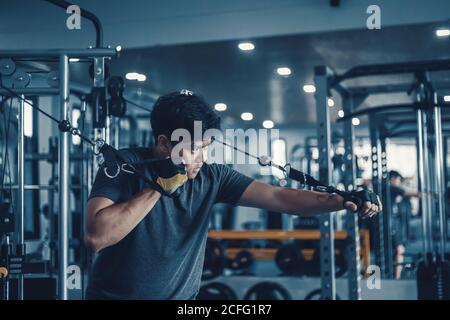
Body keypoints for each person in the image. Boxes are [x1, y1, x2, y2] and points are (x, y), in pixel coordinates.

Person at [84, 90, 381, 299]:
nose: (203, 155)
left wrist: (343, 199)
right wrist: (161, 185)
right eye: (196, 146)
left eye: (206, 145)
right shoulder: (124, 164)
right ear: (164, 142)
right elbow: (97, 236)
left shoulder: (213, 176)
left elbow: (281, 198)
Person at [389, 170, 419, 279]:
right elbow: (408, 193)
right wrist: (423, 194)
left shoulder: (394, 193)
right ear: (393, 178)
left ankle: (395, 276)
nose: (398, 182)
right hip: (389, 226)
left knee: (398, 250)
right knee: (399, 249)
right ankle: (396, 278)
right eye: (398, 180)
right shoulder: (390, 188)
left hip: (393, 226)